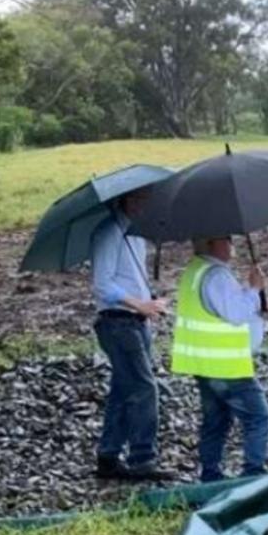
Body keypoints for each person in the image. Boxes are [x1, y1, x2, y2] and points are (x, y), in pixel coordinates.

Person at [171, 236, 268, 482]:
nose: (231, 243)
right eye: (226, 239)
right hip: (226, 366)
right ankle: (253, 474)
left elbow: (229, 310)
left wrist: (257, 303)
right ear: (212, 242)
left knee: (216, 421)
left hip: (204, 364)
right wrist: (255, 289)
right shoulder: (216, 276)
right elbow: (236, 314)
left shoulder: (195, 271)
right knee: (259, 417)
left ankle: (210, 474)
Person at [89, 191, 170, 481]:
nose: (146, 204)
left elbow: (131, 279)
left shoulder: (136, 235)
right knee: (144, 387)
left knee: (124, 390)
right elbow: (102, 284)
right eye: (140, 199)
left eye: (148, 198)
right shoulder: (109, 232)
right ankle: (142, 459)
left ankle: (108, 457)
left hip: (136, 321)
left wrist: (150, 301)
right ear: (125, 200)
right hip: (117, 322)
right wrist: (140, 304)